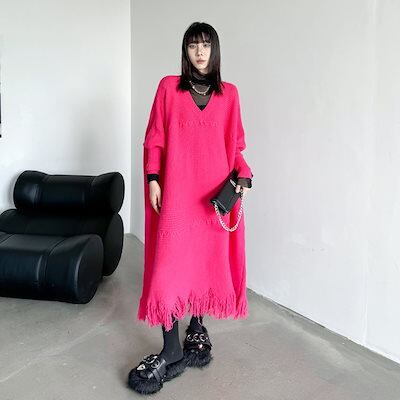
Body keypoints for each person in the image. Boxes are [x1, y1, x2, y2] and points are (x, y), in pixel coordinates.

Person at [128, 21, 254, 395]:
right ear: (185, 51)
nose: (200, 52)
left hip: (213, 199)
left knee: (202, 263)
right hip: (178, 196)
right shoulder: (169, 88)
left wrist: (243, 175)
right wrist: (153, 178)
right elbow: (155, 138)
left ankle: (197, 325)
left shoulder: (230, 94)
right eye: (193, 45)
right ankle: (171, 348)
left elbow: (235, 148)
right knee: (169, 267)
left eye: (206, 45)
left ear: (215, 50)